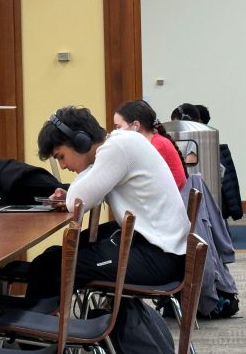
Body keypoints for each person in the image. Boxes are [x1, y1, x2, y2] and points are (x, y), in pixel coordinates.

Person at [26, 106, 189, 298]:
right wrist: (74, 187)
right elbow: (85, 192)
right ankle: (48, 324)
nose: (62, 165)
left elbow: (76, 201)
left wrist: (72, 191)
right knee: (52, 257)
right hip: (160, 248)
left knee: (50, 268)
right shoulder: (121, 142)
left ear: (81, 141)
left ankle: (38, 326)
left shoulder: (118, 147)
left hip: (159, 257)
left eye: (61, 156)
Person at [114, 100, 187, 190]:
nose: (116, 132)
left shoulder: (157, 144)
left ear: (135, 126)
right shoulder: (148, 143)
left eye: (118, 127)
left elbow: (139, 177)